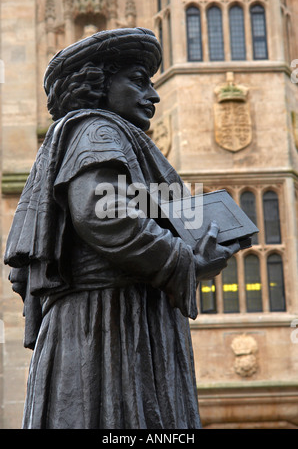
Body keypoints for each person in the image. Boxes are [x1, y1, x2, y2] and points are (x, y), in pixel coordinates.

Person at [4, 28, 239, 429]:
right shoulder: (98, 130)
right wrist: (183, 259)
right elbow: (103, 215)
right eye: (138, 80)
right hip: (108, 322)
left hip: (120, 315)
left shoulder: (105, 134)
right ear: (99, 84)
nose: (154, 94)